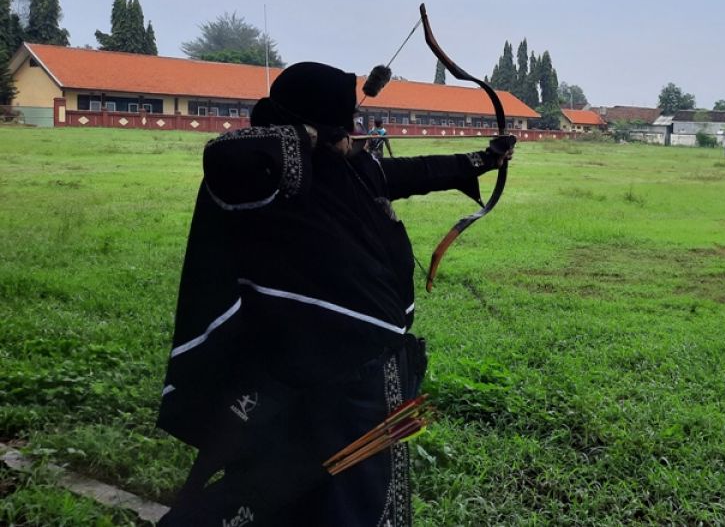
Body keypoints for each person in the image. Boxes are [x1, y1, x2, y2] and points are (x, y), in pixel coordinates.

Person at [156, 62, 514, 526]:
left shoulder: (354, 170)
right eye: (342, 119)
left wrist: (485, 159)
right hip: (296, 376)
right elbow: (230, 154)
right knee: (283, 488)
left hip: (369, 372)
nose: (353, 130)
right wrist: (310, 135)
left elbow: (414, 171)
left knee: (364, 487)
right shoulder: (266, 175)